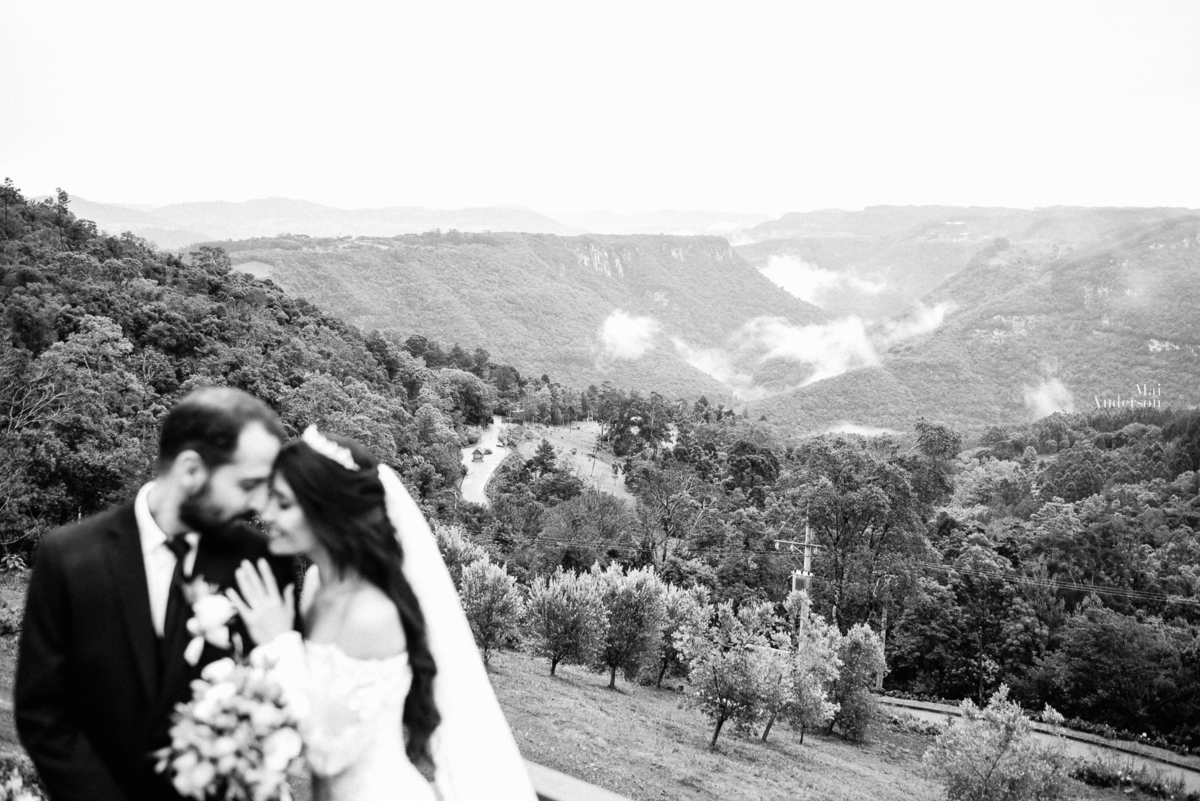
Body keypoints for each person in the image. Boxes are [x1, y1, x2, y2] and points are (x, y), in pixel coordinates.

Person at [15, 386, 297, 801]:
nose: (259, 503)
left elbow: (278, 702)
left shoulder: (260, 564)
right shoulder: (69, 557)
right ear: (190, 471)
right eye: (249, 484)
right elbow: (43, 713)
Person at [230, 426, 537, 801]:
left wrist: (277, 644)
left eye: (283, 503)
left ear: (327, 510)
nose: (266, 513)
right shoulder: (314, 585)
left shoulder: (373, 615)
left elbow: (328, 754)